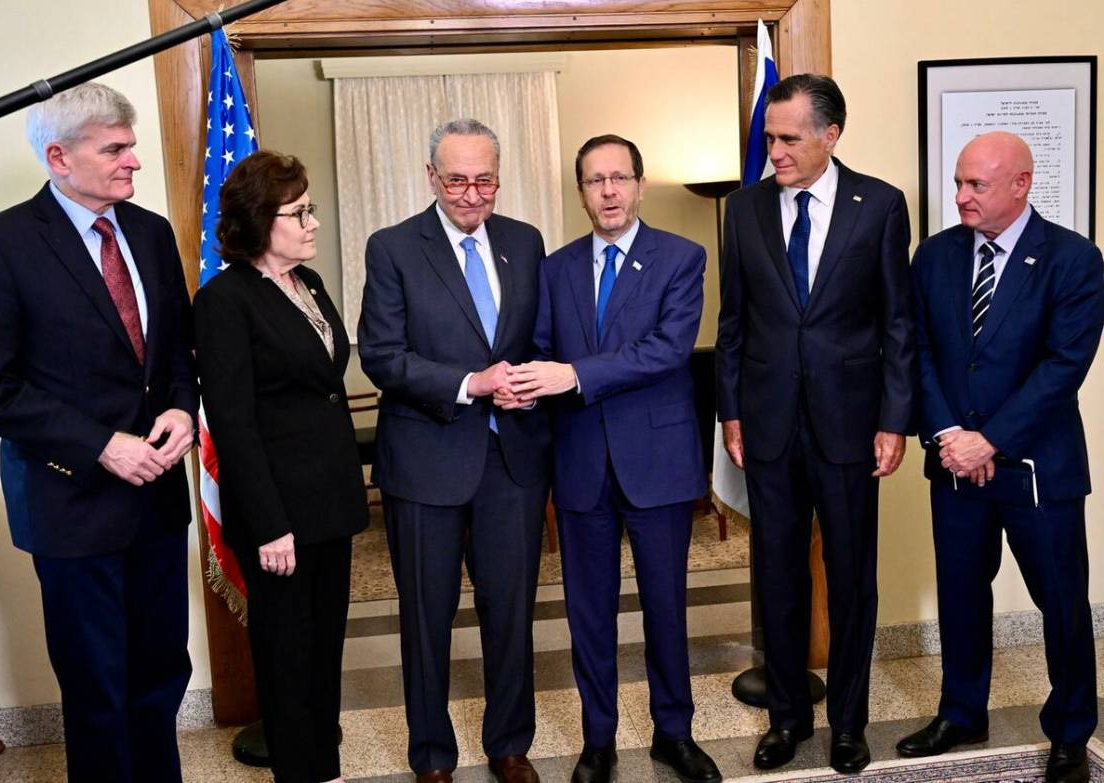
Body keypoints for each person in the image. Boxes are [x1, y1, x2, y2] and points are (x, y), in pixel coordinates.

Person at [0, 82, 196, 782]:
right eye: (115, 148)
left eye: (131, 145)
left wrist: (180, 409)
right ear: (58, 157)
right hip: (70, 504)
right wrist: (102, 444)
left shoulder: (149, 231)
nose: (133, 161)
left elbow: (175, 355)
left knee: (162, 672)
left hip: (158, 501)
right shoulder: (3, 243)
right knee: (97, 688)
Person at [715, 74, 915, 774]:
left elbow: (898, 323)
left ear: (831, 135)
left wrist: (895, 419)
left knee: (853, 576)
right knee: (777, 577)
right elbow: (732, 324)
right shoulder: (742, 211)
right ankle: (788, 717)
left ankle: (850, 722)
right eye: (769, 137)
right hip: (767, 428)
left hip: (851, 428)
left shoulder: (881, 207)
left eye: (788, 138)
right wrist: (731, 413)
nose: (775, 150)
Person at [506, 134, 721, 783]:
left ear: (639, 184)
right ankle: (597, 738)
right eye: (594, 180)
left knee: (666, 604)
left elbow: (667, 349)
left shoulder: (682, 257)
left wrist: (571, 373)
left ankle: (673, 733)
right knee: (589, 610)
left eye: (618, 178)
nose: (607, 191)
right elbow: (540, 351)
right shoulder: (556, 267)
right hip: (579, 463)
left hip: (657, 459)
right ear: (581, 191)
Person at [899, 132, 1102, 783]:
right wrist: (950, 434)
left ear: (1021, 183)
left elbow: (1062, 366)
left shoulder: (1073, 259)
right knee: (961, 593)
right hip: (954, 462)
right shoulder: (934, 256)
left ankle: (1071, 728)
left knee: (1063, 603)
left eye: (975, 185)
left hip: (1038, 469)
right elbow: (918, 352)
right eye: (958, 182)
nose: (960, 196)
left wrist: (991, 439)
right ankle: (962, 711)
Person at [357, 119, 550, 783]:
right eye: (457, 179)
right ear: (432, 177)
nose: (472, 193)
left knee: (511, 613)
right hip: (425, 462)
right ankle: (432, 756)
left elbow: (537, 336)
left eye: (485, 179)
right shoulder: (393, 248)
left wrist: (531, 380)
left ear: (500, 176)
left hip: (513, 462)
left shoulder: (525, 243)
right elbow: (383, 356)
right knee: (426, 619)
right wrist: (471, 384)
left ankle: (509, 744)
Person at [193, 151, 369, 783]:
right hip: (278, 517)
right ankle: (302, 771)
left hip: (331, 503)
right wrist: (269, 525)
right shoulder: (224, 302)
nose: (312, 222)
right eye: (298, 212)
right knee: (287, 657)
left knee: (324, 651)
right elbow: (233, 424)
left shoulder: (310, 284)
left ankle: (325, 766)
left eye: (310, 208)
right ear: (259, 221)